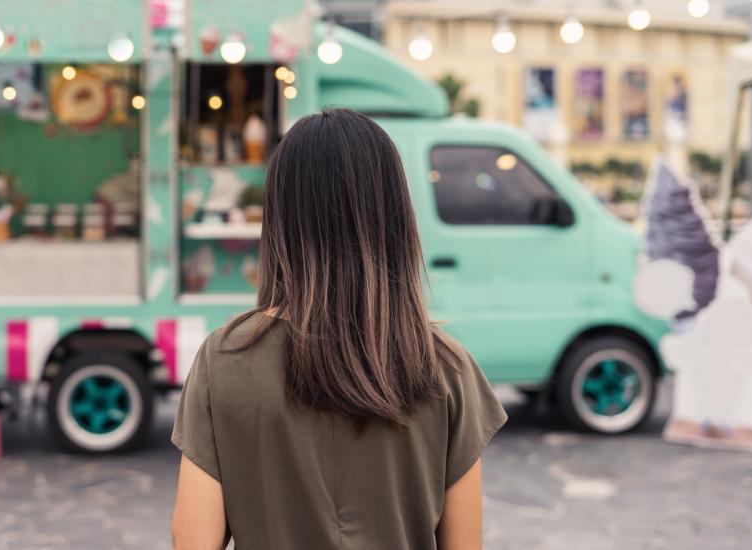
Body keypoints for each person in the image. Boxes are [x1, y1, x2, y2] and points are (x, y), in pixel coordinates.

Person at [171, 109, 507, 550]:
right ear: (395, 218)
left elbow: (192, 541)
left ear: (279, 218)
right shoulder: (447, 369)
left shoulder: (225, 359)